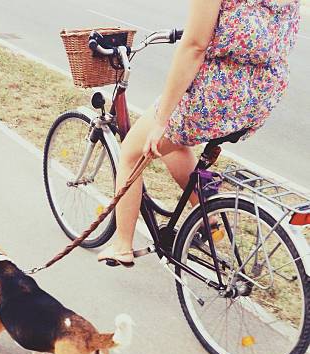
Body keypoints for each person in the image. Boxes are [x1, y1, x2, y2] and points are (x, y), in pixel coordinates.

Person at [98, 0, 301, 267]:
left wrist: (162, 120)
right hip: (260, 96)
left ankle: (122, 245)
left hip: (215, 97)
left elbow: (194, 46)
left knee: (131, 153)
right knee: (177, 142)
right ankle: (208, 216)